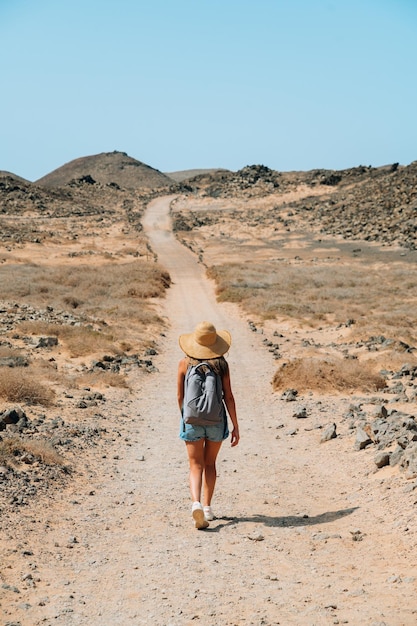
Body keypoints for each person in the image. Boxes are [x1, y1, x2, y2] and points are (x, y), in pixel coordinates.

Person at [177, 321, 240, 529]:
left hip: (192, 420)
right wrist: (235, 426)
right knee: (210, 463)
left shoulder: (184, 364)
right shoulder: (221, 365)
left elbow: (180, 396)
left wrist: (185, 416)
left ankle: (195, 502)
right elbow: (229, 397)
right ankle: (207, 508)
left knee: (195, 465)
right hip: (216, 419)